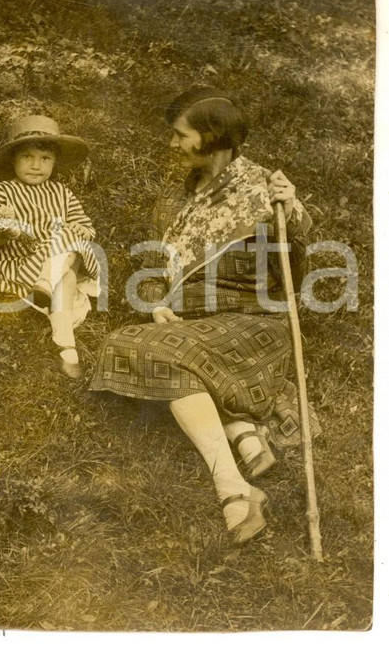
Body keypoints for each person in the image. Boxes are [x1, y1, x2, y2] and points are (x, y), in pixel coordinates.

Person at [90, 86, 319, 545]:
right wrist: (156, 306)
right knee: (122, 342)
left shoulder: (263, 193)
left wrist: (290, 212)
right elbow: (152, 267)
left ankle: (231, 486)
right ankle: (240, 434)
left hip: (253, 322)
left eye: (181, 135)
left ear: (212, 137)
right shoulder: (173, 202)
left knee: (165, 355)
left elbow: (295, 273)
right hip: (188, 323)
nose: (173, 144)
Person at [0, 114, 99, 379]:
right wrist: (3, 234)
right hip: (21, 260)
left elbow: (85, 225)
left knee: (70, 243)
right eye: (27, 157)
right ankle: (46, 285)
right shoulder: (2, 191)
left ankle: (66, 345)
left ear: (55, 161)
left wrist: (79, 229)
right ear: (13, 160)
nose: (36, 165)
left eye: (45, 158)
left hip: (58, 256)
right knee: (68, 267)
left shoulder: (62, 192)